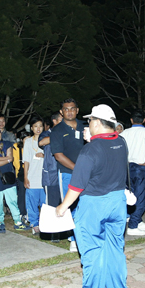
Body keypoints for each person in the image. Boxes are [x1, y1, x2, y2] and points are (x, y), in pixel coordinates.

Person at [56, 104, 131, 288]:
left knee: (92, 250)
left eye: (90, 120)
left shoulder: (89, 150)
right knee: (115, 248)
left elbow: (76, 186)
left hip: (94, 205)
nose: (88, 124)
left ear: (97, 122)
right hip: (117, 202)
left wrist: (62, 207)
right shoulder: (121, 142)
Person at [51, 98, 85, 252]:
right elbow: (58, 155)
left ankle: (84, 234)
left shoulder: (85, 126)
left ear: (77, 110)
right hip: (67, 173)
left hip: (87, 173)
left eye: (72, 108)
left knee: (86, 204)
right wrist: (78, 169)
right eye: (66, 109)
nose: (69, 112)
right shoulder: (57, 130)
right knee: (70, 205)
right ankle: (73, 239)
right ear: (61, 112)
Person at [120, 110, 145, 236]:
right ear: (144, 120)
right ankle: (133, 226)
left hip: (127, 168)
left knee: (131, 195)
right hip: (140, 168)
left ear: (131, 120)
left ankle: (138, 220)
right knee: (141, 197)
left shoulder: (125, 132)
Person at [0, 126, 25, 232]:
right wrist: (6, 159)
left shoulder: (7, 144)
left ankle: (17, 221)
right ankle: (1, 222)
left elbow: (11, 158)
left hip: (8, 178)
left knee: (12, 201)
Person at [39, 112, 63, 240]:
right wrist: (59, 134)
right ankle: (53, 234)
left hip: (64, 174)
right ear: (55, 121)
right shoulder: (47, 133)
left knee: (64, 203)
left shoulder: (66, 133)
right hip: (51, 176)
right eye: (62, 120)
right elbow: (41, 142)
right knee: (52, 205)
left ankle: (65, 231)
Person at [23, 116, 47, 232]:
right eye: (35, 126)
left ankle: (45, 224)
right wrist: (25, 177)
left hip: (45, 178)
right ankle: (34, 223)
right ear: (31, 128)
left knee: (45, 203)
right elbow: (26, 161)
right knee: (32, 202)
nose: (38, 128)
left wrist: (44, 156)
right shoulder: (28, 142)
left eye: (40, 126)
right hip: (32, 177)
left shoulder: (47, 140)